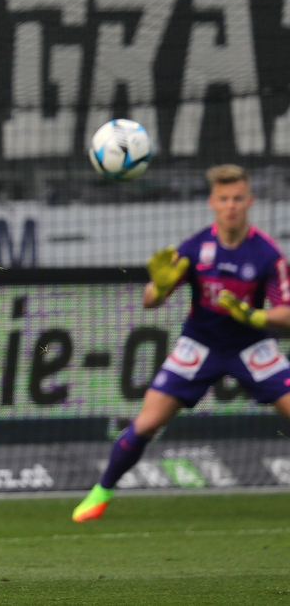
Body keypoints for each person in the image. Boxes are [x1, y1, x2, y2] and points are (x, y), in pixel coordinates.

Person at [73, 164, 290, 522]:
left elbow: (287, 313)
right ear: (212, 203)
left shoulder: (267, 254)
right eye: (224, 199)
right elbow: (149, 302)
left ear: (250, 201)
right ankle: (101, 492)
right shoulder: (194, 247)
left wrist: (256, 317)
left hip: (252, 348)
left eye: (238, 198)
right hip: (200, 345)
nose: (231, 205)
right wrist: (158, 286)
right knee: (146, 424)